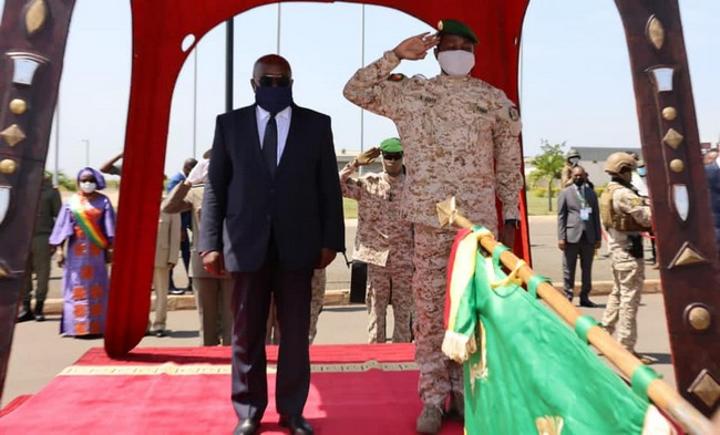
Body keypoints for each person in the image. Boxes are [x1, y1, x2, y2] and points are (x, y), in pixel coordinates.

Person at [344, 19, 523, 434]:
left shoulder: (493, 100)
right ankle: (431, 397)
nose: (458, 53)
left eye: (466, 47)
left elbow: (509, 162)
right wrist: (395, 55)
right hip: (429, 221)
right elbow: (355, 90)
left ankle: (466, 392)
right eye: (450, 46)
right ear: (437, 52)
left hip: (477, 226)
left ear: (474, 54)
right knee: (428, 312)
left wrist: (511, 216)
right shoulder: (410, 93)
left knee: (474, 308)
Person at [199, 54, 344, 435]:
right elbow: (215, 188)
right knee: (247, 333)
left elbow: (328, 187)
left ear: (292, 84)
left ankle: (292, 412)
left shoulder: (316, 125)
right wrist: (209, 243)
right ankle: (248, 411)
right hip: (246, 244)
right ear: (254, 84)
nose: (275, 87)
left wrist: (331, 240)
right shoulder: (229, 125)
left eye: (283, 81)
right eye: (268, 81)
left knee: (295, 334)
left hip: (299, 246)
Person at [339, 138, 414, 343]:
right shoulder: (368, 183)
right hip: (375, 260)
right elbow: (335, 185)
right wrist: (355, 163)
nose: (392, 161)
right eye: (388, 156)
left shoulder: (413, 187)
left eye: (396, 157)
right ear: (381, 158)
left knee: (404, 318)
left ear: (403, 157)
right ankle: (377, 358)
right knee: (376, 316)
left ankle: (402, 358)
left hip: (404, 260)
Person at [163, 156, 233, 346]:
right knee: (207, 325)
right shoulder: (196, 192)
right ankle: (209, 360)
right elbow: (168, 207)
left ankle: (231, 361)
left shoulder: (238, 189)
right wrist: (188, 182)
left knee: (232, 325)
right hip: (202, 264)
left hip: (232, 262)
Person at [598, 152, 653, 364]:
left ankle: (604, 336)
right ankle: (626, 347)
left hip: (617, 251)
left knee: (617, 294)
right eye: (630, 170)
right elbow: (647, 219)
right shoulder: (624, 194)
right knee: (629, 301)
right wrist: (652, 206)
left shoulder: (609, 191)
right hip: (629, 253)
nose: (632, 174)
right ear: (623, 171)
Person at [49, 167, 115, 337]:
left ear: (96, 182)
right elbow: (62, 227)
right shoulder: (71, 202)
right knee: (75, 288)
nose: (87, 183)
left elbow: (110, 228)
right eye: (84, 180)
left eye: (90, 180)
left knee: (97, 289)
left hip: (96, 254)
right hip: (75, 254)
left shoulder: (104, 201)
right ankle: (76, 328)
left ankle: (96, 327)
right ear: (78, 182)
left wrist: (110, 249)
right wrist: (59, 250)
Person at [18, 174, 62, 322]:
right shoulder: (20, 189)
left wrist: (56, 242)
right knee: (23, 274)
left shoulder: (51, 191)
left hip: (42, 237)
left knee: (43, 274)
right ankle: (25, 308)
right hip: (22, 238)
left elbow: (59, 218)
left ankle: (39, 307)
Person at [557, 166, 600, 307]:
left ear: (585, 176)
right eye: (575, 175)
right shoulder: (565, 193)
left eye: (581, 175)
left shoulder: (591, 193)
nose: (578, 178)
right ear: (571, 177)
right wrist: (561, 237)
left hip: (588, 236)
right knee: (568, 268)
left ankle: (585, 297)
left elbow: (596, 216)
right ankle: (568, 296)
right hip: (571, 236)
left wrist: (598, 237)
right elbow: (561, 216)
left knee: (587, 269)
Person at [150, 198, 181, 337]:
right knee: (141, 295)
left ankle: (159, 325)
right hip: (142, 258)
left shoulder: (170, 205)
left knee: (161, 293)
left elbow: (175, 233)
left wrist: (173, 257)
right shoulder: (140, 205)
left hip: (161, 257)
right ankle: (143, 325)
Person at [167, 158, 198, 295]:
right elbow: (173, 205)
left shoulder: (186, 180)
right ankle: (169, 285)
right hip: (176, 225)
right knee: (172, 255)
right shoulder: (176, 181)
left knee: (187, 254)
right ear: (187, 168)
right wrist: (179, 229)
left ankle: (191, 283)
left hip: (184, 224)